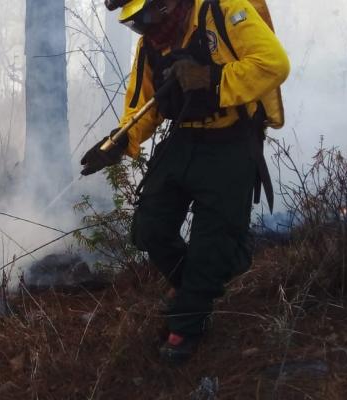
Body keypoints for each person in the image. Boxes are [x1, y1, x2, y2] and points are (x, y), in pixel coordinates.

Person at [80, 0, 289, 364]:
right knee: (149, 229)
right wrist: (118, 144)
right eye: (133, 21)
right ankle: (195, 290)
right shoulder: (152, 44)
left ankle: (187, 324)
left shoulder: (225, 10)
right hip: (184, 139)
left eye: (143, 16)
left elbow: (273, 64)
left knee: (211, 244)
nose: (141, 27)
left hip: (232, 142)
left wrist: (211, 78)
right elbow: (143, 105)